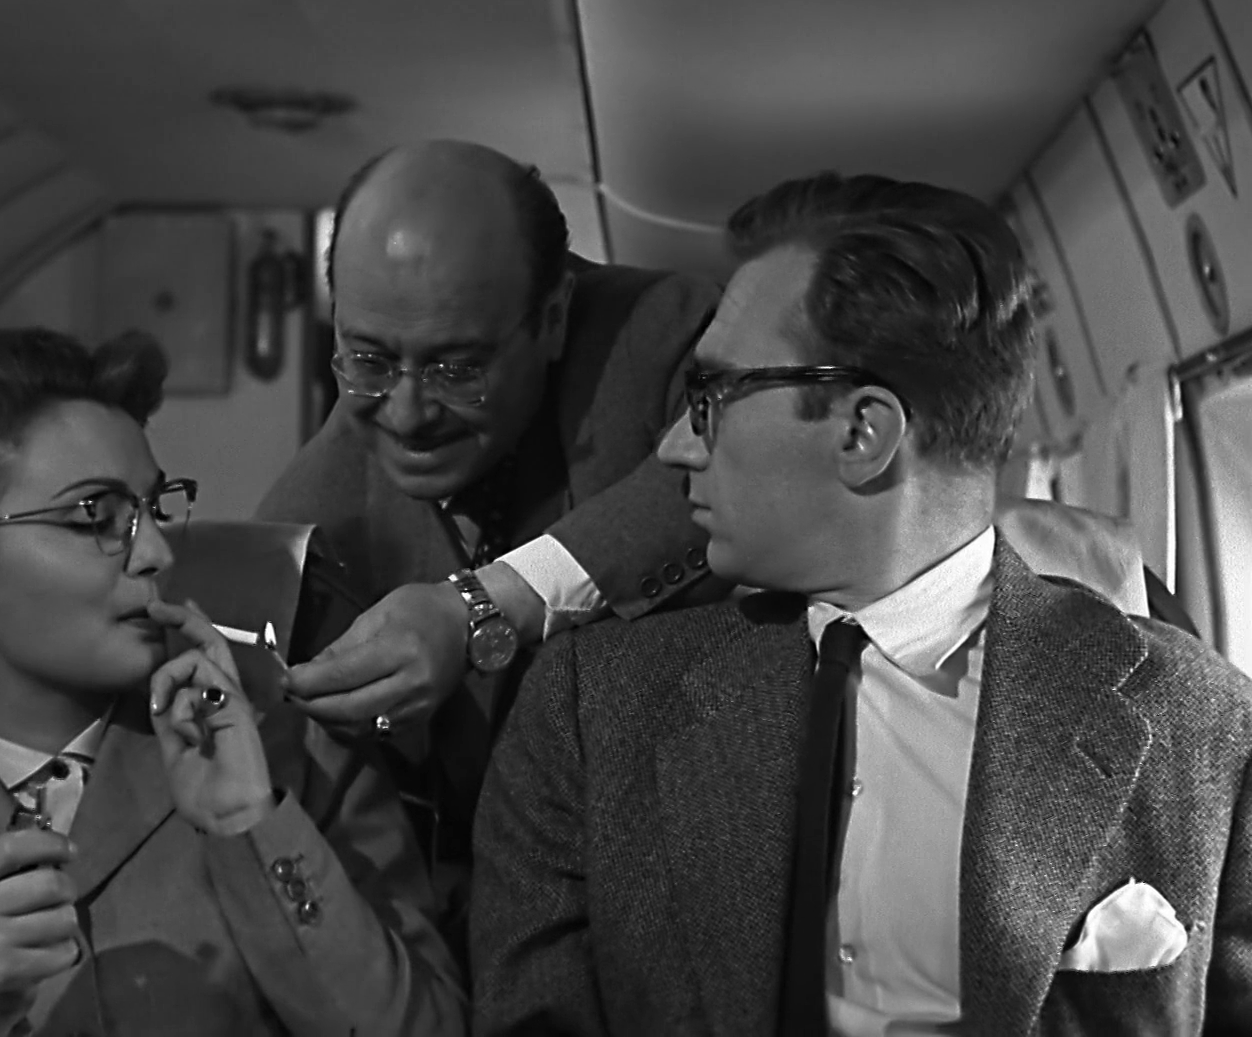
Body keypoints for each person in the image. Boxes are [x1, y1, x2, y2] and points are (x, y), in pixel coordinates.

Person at [469, 172, 1250, 1035]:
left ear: (862, 432)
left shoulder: (1201, 723)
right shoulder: (591, 714)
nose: (675, 446)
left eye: (712, 397)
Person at [257, 142, 1149, 877]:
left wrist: (484, 604)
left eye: (458, 368)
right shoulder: (306, 518)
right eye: (367, 360)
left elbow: (741, 476)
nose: (406, 411)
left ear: (554, 315)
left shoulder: (659, 336)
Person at [0, 328, 465, 1036]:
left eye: (153, 510)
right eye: (95, 517)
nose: (157, 553)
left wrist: (251, 828)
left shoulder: (295, 760)